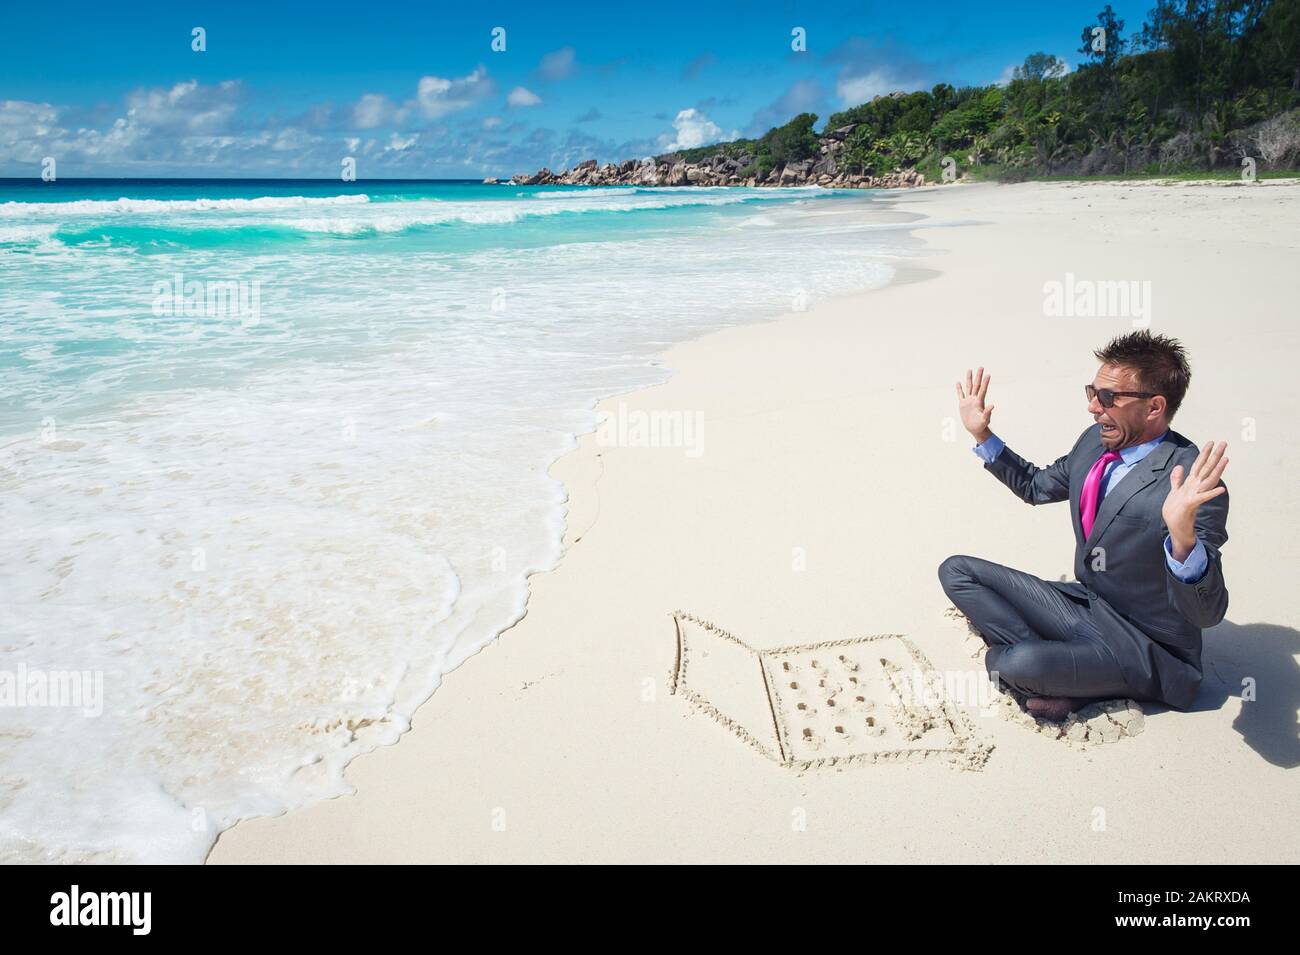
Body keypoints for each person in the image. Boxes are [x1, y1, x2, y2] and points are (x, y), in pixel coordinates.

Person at [939, 331, 1229, 720]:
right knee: (957, 571)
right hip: (1086, 606)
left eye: (1108, 398)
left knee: (1015, 663)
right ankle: (1064, 671)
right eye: (1092, 391)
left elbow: (1206, 614)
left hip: (1145, 646)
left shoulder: (1193, 482)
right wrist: (982, 434)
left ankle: (1054, 671)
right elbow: (1035, 486)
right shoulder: (1095, 442)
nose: (1094, 407)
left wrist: (1182, 538)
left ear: (1155, 406)